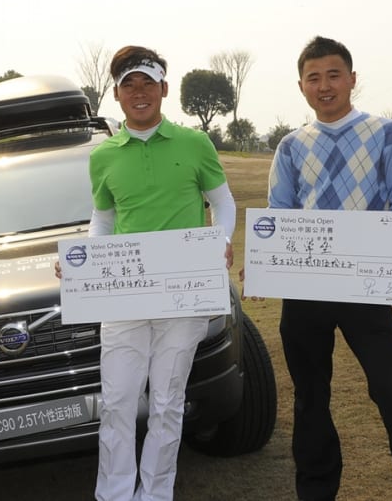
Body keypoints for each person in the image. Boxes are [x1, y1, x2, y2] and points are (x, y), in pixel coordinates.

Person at [267, 36, 392, 501]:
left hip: (365, 286)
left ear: (351, 78)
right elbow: (279, 218)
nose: (324, 85)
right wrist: (265, 266)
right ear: (301, 86)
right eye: (313, 78)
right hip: (306, 290)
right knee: (310, 399)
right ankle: (316, 492)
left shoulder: (386, 133)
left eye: (333, 75)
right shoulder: (290, 146)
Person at [87, 45, 236, 501]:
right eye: (129, 84)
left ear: (164, 89)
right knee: (117, 403)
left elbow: (223, 205)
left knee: (168, 403)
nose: (139, 92)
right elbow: (104, 220)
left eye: (147, 83)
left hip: (183, 294)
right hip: (126, 295)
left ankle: (154, 494)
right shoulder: (103, 156)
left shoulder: (195, 144)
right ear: (116, 94)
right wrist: (88, 263)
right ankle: (114, 494)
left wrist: (221, 242)